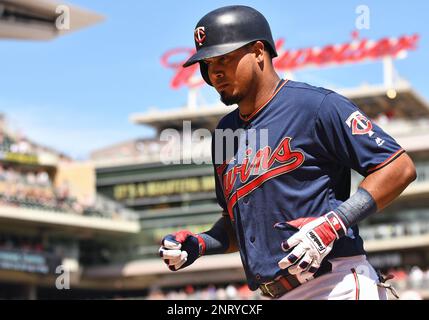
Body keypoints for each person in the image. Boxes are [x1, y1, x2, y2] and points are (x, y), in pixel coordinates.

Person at [158, 5, 416, 300]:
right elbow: (237, 225)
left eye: (224, 59)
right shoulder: (224, 135)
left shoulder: (316, 106)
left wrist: (334, 222)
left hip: (335, 284)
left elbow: (398, 167)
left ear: (258, 52)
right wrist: (199, 243)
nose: (214, 72)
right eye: (207, 63)